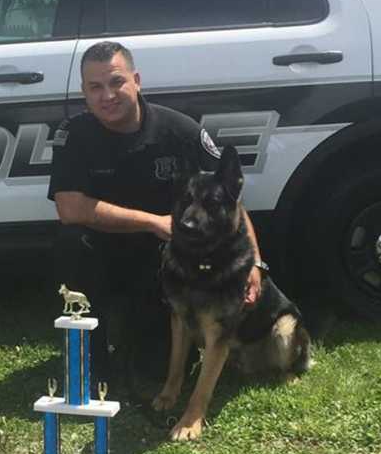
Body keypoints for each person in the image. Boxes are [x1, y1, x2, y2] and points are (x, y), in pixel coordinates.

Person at [47, 40, 265, 383]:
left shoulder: (179, 130)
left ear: (137, 80)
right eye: (95, 87)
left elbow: (229, 198)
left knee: (152, 369)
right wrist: (153, 222)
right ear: (84, 92)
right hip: (104, 253)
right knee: (71, 240)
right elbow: (70, 208)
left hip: (165, 261)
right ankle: (88, 359)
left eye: (116, 82)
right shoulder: (75, 134)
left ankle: (147, 341)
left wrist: (254, 262)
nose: (107, 95)